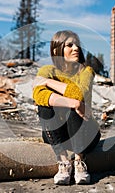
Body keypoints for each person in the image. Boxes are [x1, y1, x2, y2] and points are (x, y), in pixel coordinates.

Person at [32, 30, 101, 185]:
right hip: (60, 134)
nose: (76, 48)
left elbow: (80, 94)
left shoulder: (86, 71)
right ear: (58, 49)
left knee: (74, 108)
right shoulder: (47, 71)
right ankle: (63, 161)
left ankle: (79, 161)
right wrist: (73, 103)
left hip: (86, 133)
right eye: (70, 45)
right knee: (45, 106)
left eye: (77, 45)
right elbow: (38, 95)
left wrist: (49, 83)